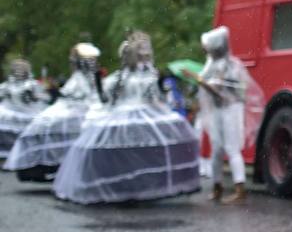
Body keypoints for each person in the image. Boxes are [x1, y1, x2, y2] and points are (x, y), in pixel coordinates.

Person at [53, 31, 200, 204]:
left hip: (150, 114)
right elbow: (106, 99)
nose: (144, 56)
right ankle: (124, 186)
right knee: (125, 152)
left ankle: (145, 186)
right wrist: (99, 82)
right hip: (126, 115)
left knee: (144, 151)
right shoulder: (121, 78)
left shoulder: (152, 75)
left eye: (147, 53)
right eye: (140, 53)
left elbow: (157, 98)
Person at [4, 43, 104, 182]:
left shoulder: (89, 78)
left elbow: (92, 94)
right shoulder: (79, 78)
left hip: (84, 109)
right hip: (69, 108)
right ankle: (46, 167)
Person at [195, 26, 259, 204]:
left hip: (230, 109)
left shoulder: (230, 66)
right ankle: (217, 186)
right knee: (216, 150)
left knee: (231, 148)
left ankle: (240, 189)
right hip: (219, 109)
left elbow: (219, 90)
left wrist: (201, 81)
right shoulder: (213, 64)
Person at [0, 58, 48, 158]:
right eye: (17, 68)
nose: (19, 71)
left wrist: (34, 96)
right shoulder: (8, 84)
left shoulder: (32, 84)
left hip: (28, 113)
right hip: (10, 112)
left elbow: (42, 97)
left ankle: (27, 154)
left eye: (22, 68)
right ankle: (8, 155)